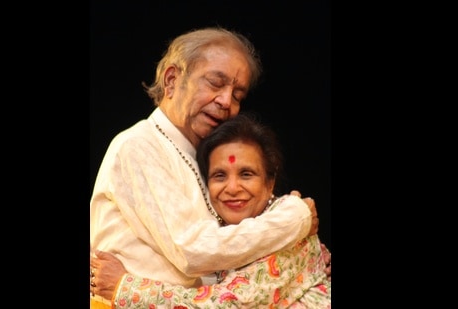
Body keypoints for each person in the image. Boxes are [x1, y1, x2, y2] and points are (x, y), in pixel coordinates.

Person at [90, 26, 330, 308]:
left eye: (238, 95)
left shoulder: (201, 156)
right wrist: (294, 220)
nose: (227, 101)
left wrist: (306, 253)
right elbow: (192, 250)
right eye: (216, 83)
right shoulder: (138, 145)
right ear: (171, 80)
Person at [96, 113, 331, 308]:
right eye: (219, 176)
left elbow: (224, 304)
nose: (232, 188)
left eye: (246, 174)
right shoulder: (221, 235)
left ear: (270, 182)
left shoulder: (290, 230)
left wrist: (124, 287)